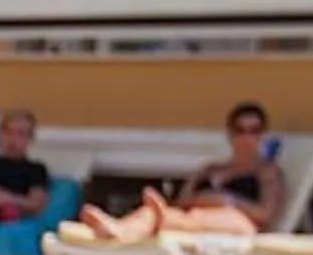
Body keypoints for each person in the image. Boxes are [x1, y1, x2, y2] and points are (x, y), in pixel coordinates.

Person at [71, 101, 283, 243]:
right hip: (194, 217)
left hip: (239, 223)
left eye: (254, 131)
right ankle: (117, 233)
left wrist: (226, 200)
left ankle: (120, 231)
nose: (247, 138)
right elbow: (182, 201)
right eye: (240, 130)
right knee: (156, 214)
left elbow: (266, 214)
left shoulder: (267, 171)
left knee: (164, 216)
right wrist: (204, 200)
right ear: (229, 133)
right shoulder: (210, 169)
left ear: (262, 134)